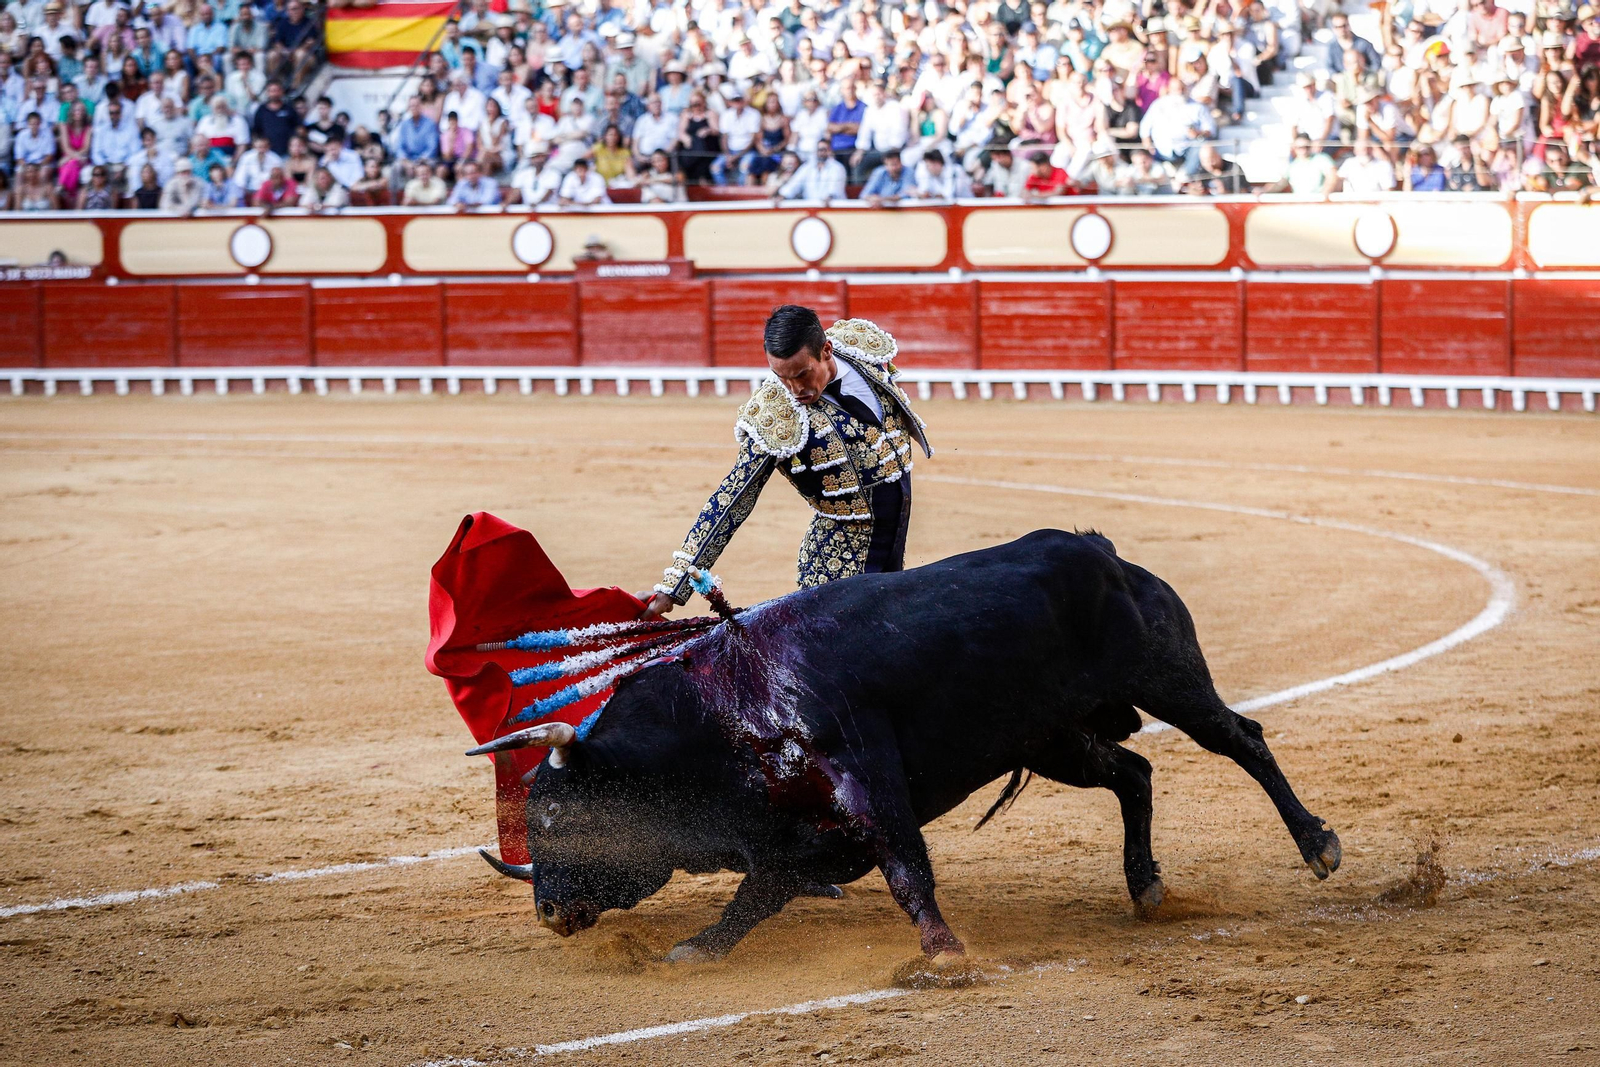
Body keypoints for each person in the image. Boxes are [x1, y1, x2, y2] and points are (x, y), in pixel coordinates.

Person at [638, 307, 932, 618]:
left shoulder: (862, 352)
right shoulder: (774, 416)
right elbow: (732, 499)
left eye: (802, 374)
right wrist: (675, 585)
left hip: (893, 552)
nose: (795, 389)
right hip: (836, 568)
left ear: (826, 351)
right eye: (782, 377)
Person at [774, 137, 847, 199]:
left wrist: (829, 198)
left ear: (829, 151)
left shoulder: (837, 168)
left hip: (833, 208)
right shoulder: (807, 167)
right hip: (811, 206)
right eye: (819, 150)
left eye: (824, 150)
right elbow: (794, 184)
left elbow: (835, 189)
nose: (821, 153)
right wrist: (782, 195)